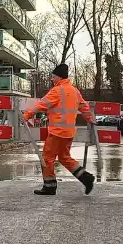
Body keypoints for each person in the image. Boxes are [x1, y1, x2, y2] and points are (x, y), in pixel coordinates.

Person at [23, 63, 97, 196]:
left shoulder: (56, 91)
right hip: (68, 133)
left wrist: (26, 115)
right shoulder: (75, 91)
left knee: (47, 158)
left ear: (59, 77)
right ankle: (86, 178)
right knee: (64, 157)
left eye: (53, 77)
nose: (51, 79)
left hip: (57, 132)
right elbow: (84, 107)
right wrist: (90, 119)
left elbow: (41, 105)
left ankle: (49, 186)